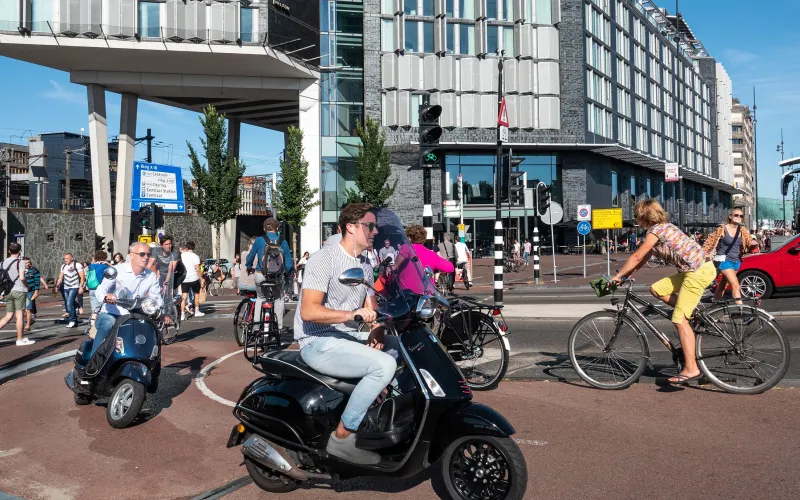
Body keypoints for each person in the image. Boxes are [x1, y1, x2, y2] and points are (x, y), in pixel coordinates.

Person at [295, 202, 401, 465]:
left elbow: (369, 301)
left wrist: (377, 328)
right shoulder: (324, 258)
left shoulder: (364, 260)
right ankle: (342, 437)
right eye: (370, 226)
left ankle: (380, 420)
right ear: (351, 227)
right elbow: (309, 311)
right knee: (383, 365)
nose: (375, 232)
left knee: (403, 348)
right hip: (317, 340)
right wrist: (350, 316)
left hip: (343, 337)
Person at [610, 200, 716, 384]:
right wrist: (626, 276)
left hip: (698, 271)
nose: (636, 219)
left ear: (645, 215)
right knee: (657, 289)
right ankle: (690, 311)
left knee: (679, 319)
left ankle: (691, 368)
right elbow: (642, 259)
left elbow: (636, 255)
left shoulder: (657, 230)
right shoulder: (663, 229)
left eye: (637, 215)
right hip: (695, 269)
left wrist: (617, 276)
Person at [88, 243, 162, 358]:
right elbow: (100, 289)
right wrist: (106, 297)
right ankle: (93, 364)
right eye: (142, 254)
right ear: (132, 255)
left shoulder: (151, 276)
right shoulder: (117, 271)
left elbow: (156, 297)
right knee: (108, 323)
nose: (146, 257)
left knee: (151, 331)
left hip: (135, 316)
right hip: (112, 313)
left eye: (148, 254)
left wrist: (160, 310)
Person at [702, 208, 758, 304]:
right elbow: (709, 242)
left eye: (741, 216)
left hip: (736, 261)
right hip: (724, 260)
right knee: (736, 285)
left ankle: (715, 304)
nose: (738, 217)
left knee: (723, 284)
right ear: (730, 216)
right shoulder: (722, 229)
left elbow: (748, 242)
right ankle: (741, 311)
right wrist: (704, 255)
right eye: (736, 215)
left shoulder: (743, 230)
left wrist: (753, 243)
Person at [246, 218, 293, 331]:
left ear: (264, 228)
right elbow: (289, 264)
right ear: (277, 228)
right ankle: (278, 327)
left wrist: (249, 267)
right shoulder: (283, 242)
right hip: (277, 276)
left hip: (260, 274)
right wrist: (289, 273)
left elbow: (250, 256)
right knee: (278, 299)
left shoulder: (259, 240)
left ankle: (256, 327)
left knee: (260, 298)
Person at [401, 225, 454, 291]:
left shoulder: (403, 251)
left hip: (405, 293)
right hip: (426, 292)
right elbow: (450, 268)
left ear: (409, 238)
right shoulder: (431, 254)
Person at [1, 243, 32, 346]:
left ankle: (20, 338)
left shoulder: (2, 263)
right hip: (19, 289)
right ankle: (20, 339)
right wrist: (27, 286)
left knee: (8, 315)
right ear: (20, 251)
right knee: (19, 315)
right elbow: (22, 278)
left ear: (9, 251)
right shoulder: (20, 262)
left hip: (7, 291)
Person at [56, 253, 86, 328]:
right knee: (69, 302)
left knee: (69, 303)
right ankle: (78, 308)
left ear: (71, 258)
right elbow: (60, 276)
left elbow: (82, 277)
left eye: (67, 258)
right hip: (66, 287)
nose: (65, 260)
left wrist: (81, 287)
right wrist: (56, 285)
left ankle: (72, 320)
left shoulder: (77, 265)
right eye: (64, 258)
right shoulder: (63, 266)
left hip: (74, 286)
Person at [180, 241, 204, 320]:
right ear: (193, 247)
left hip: (184, 278)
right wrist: (201, 279)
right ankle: (197, 311)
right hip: (194, 278)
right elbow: (197, 269)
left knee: (184, 296)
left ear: (186, 247)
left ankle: (182, 314)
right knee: (196, 294)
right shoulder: (195, 256)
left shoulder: (181, 256)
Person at [22, 257, 46, 332]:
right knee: (23, 310)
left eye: (29, 262)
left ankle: (28, 325)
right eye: (26, 263)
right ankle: (31, 320)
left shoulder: (34, 271)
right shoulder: (20, 270)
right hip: (21, 291)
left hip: (30, 291)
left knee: (28, 309)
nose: (28, 264)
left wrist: (36, 292)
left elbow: (37, 282)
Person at [86, 250, 110, 326]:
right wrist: (108, 264)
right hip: (100, 289)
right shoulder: (105, 266)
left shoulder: (91, 266)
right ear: (105, 258)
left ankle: (93, 326)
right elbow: (116, 271)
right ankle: (99, 326)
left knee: (94, 309)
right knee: (102, 309)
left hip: (91, 289)